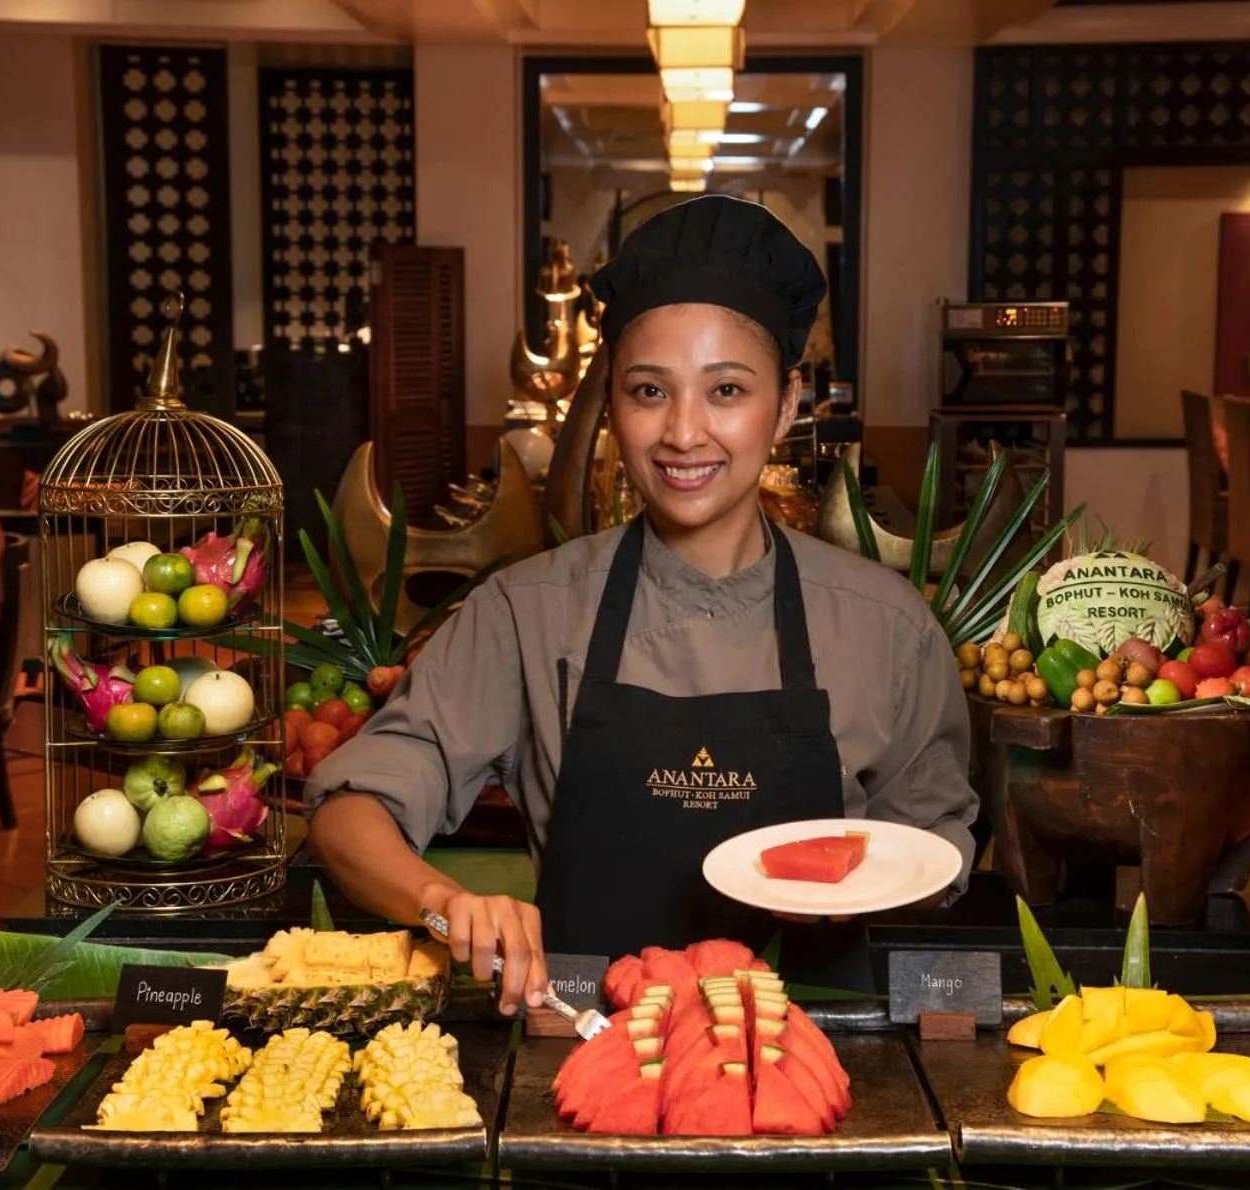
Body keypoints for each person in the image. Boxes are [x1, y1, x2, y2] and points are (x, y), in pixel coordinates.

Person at [306, 195, 979, 1013]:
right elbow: (352, 809)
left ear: (788, 407)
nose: (684, 434)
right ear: (610, 407)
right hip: (585, 1042)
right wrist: (445, 904)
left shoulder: (885, 627)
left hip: (810, 1051)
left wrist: (869, 885)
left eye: (726, 390)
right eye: (649, 391)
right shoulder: (527, 612)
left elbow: (935, 851)